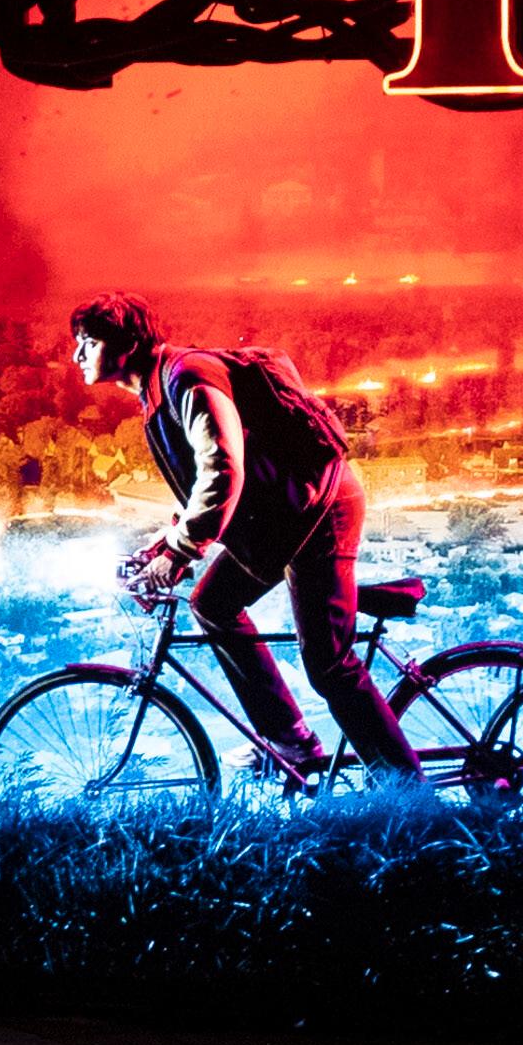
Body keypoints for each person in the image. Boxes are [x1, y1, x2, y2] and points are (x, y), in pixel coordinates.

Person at [69, 293, 419, 788]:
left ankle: (407, 792)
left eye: (88, 341)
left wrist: (180, 551)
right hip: (286, 515)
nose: (77, 355)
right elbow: (204, 486)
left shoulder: (186, 378)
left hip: (318, 509)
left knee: (329, 665)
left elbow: (222, 469)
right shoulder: (161, 389)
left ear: (125, 344)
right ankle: (290, 741)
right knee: (212, 602)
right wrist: (164, 544)